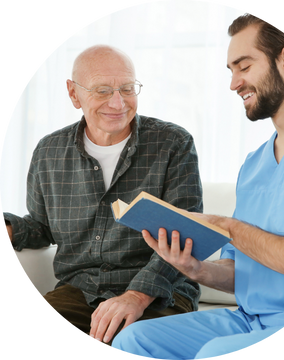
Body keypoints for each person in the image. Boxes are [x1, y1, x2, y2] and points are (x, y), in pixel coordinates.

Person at [110, 10, 284, 360]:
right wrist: (195, 269)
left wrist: (229, 227)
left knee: (215, 354)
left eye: (244, 67)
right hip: (247, 320)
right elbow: (239, 273)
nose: (234, 83)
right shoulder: (254, 163)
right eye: (231, 71)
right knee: (132, 341)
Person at [1, 45, 203, 347]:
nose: (118, 102)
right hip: (79, 291)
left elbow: (184, 236)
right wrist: (10, 230)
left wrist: (136, 295)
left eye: (127, 88)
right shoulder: (49, 151)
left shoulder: (173, 143)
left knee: (124, 343)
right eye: (103, 90)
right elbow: (42, 227)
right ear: (74, 94)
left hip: (159, 294)